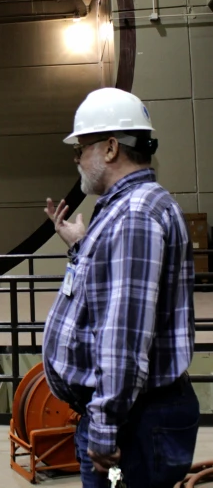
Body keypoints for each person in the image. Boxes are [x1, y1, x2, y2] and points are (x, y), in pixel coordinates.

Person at [42, 88, 197, 488]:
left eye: (81, 150)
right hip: (132, 416)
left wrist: (106, 427)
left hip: (135, 424)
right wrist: (80, 247)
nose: (77, 160)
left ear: (110, 148)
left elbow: (124, 336)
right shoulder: (126, 208)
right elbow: (108, 296)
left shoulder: (135, 215)